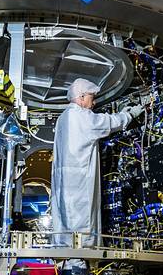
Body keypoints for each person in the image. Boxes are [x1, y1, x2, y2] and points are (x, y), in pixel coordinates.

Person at [50, 78, 144, 247]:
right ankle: (79, 261)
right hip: (79, 181)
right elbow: (107, 123)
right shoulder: (80, 116)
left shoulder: (63, 118)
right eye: (92, 98)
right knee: (81, 222)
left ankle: (68, 258)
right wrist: (129, 114)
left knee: (65, 219)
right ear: (81, 97)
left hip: (65, 181)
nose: (93, 103)